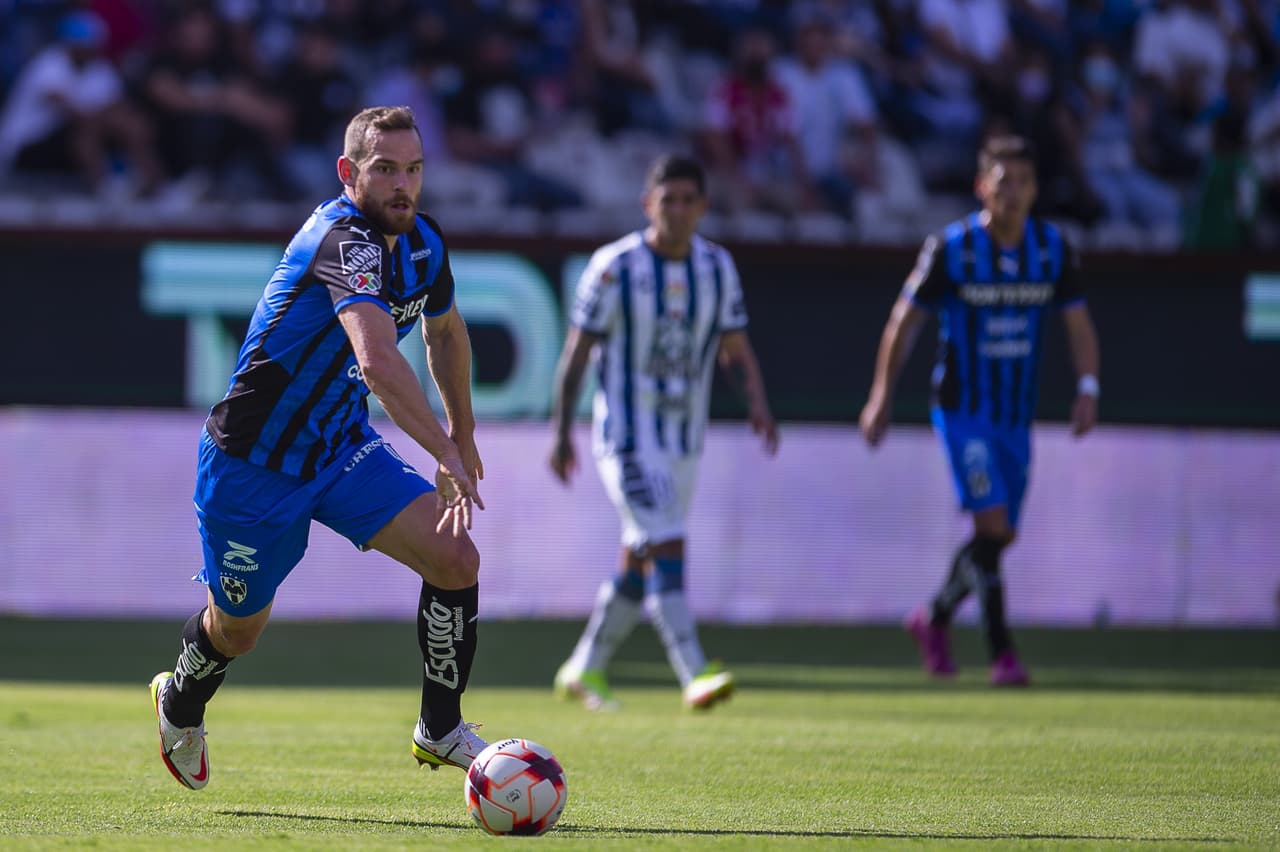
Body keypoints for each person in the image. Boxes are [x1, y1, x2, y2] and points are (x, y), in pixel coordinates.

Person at [148, 106, 488, 790]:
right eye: (385, 169)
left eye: (413, 169)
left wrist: (462, 433)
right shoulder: (342, 239)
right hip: (252, 464)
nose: (402, 185)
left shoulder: (424, 243)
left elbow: (446, 333)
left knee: (455, 557)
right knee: (238, 631)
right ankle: (178, 701)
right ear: (348, 172)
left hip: (339, 447)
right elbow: (378, 362)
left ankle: (440, 728)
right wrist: (444, 455)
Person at [858, 134, 1100, 687]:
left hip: (1015, 415)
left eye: (1023, 183)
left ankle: (933, 618)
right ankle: (1003, 654)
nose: (1013, 193)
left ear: (1035, 190)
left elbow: (1079, 325)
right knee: (989, 524)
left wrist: (1088, 388)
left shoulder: (1052, 248)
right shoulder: (952, 249)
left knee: (1000, 536)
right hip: (963, 411)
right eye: (1002, 182)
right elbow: (903, 323)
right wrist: (880, 395)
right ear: (981, 188)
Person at [548, 154, 779, 711]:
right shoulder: (614, 267)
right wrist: (562, 432)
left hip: (683, 440)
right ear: (647, 205)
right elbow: (577, 352)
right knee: (668, 538)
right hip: (626, 436)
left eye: (687, 200)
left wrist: (758, 403)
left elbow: (734, 346)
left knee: (641, 554)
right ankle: (693, 671)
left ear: (703, 206)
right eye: (666, 200)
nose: (677, 211)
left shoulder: (717, 268)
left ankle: (584, 668)